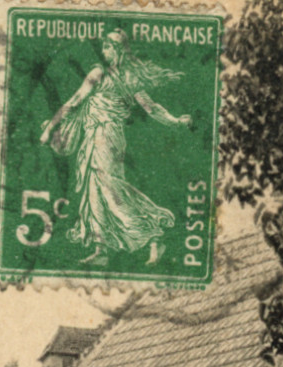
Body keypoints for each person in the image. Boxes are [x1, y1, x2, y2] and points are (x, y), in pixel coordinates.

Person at [39, 29, 192, 267]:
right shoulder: (101, 73)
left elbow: (151, 108)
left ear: (119, 50)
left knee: (110, 189)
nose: (105, 51)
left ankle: (153, 237)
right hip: (94, 136)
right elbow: (76, 100)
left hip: (108, 136)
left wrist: (176, 121)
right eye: (104, 46)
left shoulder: (119, 77)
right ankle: (101, 248)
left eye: (109, 47)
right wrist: (51, 125)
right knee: (94, 190)